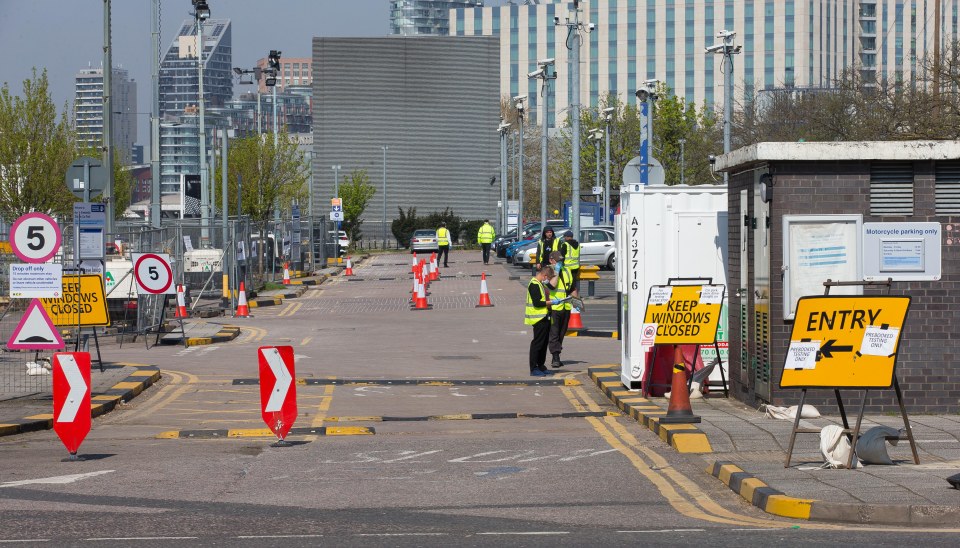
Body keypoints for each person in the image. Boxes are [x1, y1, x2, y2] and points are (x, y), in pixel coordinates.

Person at [526, 265, 557, 377]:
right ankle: (533, 368)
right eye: (548, 278)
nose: (548, 280)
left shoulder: (540, 284)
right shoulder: (534, 284)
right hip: (538, 318)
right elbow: (537, 303)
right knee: (537, 343)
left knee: (544, 344)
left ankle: (541, 365)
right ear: (544, 275)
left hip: (544, 316)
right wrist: (551, 302)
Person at [546, 250, 573, 368]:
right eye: (558, 260)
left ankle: (557, 354)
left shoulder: (567, 270)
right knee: (554, 333)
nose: (560, 262)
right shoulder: (548, 271)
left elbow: (572, 287)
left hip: (566, 306)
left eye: (561, 260)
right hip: (554, 307)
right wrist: (556, 271)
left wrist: (576, 300)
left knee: (562, 333)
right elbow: (552, 285)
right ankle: (555, 357)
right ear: (551, 260)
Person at [561, 230, 581, 297]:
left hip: (567, 268)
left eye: (565, 237)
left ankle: (566, 298)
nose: (564, 238)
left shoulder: (565, 244)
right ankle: (575, 300)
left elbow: (561, 256)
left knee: (566, 284)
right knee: (573, 285)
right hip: (575, 267)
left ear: (566, 237)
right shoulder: (577, 244)